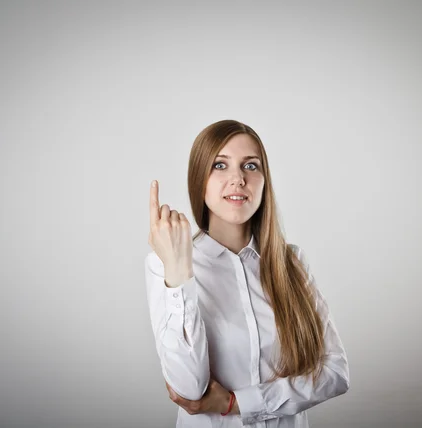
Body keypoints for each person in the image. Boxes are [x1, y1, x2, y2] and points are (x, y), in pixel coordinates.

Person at [145, 119, 350, 427]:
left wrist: (237, 403)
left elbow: (335, 373)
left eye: (250, 166)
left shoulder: (291, 262)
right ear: (199, 179)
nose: (238, 179)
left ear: (264, 180)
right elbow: (188, 389)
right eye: (220, 165)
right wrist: (179, 272)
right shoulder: (164, 265)